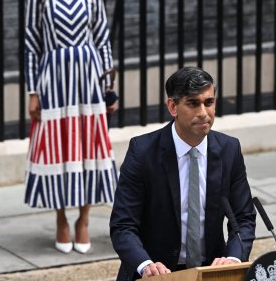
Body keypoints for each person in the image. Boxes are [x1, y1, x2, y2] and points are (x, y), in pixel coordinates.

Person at [109, 67, 256, 280]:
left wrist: (233, 259)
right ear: (172, 106)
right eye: (193, 103)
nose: (204, 113)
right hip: (157, 273)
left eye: (209, 102)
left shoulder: (229, 150)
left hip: (210, 272)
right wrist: (145, 264)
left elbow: (243, 217)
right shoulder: (142, 153)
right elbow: (123, 225)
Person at [23, 0, 118, 255]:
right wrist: (33, 91)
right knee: (58, 149)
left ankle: (84, 219)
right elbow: (31, 46)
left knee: (87, 147)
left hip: (87, 81)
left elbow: (103, 39)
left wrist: (109, 88)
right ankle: (62, 218)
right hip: (53, 83)